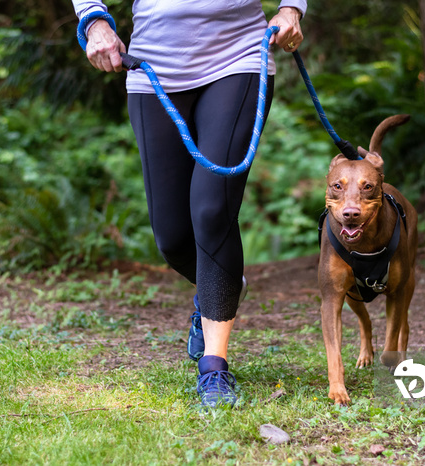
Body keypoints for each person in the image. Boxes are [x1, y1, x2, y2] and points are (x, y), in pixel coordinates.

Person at [73, 0, 306, 407]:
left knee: (212, 209)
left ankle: (214, 369)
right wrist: (93, 21)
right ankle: (219, 290)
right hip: (153, 64)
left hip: (238, 57)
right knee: (172, 235)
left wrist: (291, 9)